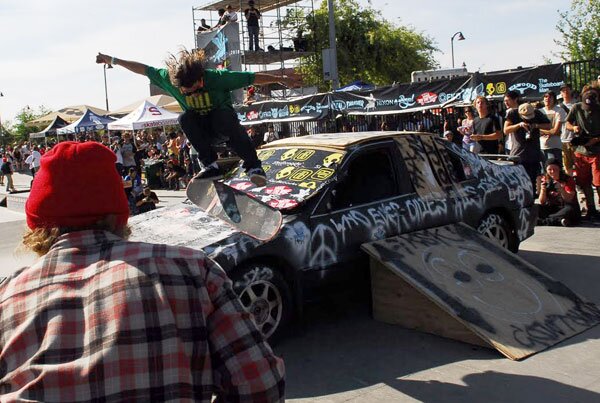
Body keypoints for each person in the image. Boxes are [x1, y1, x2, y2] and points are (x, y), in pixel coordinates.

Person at [0, 141, 285, 401]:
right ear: (118, 215)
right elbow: (261, 386)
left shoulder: (6, 298)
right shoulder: (193, 271)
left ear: (35, 226)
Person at [96, 49, 298, 187]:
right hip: (202, 132)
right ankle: (210, 165)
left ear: (202, 78)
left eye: (197, 88)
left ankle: (253, 166)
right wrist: (112, 60)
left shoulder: (218, 78)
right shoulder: (168, 79)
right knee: (185, 117)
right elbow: (142, 69)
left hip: (223, 127)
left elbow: (252, 77)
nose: (194, 94)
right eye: (188, 92)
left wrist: (282, 78)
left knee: (223, 114)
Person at [566, 87, 600, 220]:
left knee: (598, 182)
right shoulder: (576, 107)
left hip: (597, 150)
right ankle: (590, 208)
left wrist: (596, 140)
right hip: (581, 150)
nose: (588, 108)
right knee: (583, 181)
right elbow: (567, 123)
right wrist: (573, 127)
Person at [504, 102, 551, 193]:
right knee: (518, 181)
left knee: (532, 180)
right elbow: (505, 130)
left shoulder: (537, 113)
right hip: (518, 153)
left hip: (533, 153)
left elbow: (548, 125)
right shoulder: (513, 113)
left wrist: (536, 125)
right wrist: (518, 125)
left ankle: (532, 199)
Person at [537, 158, 580, 227]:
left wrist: (561, 189)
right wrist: (543, 190)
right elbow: (542, 202)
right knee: (536, 208)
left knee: (569, 210)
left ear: (559, 169)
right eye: (550, 170)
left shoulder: (568, 180)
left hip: (565, 207)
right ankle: (558, 220)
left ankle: (544, 221)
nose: (552, 171)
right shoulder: (546, 180)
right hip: (553, 208)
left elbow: (569, 199)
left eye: (555, 169)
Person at [539, 90, 565, 167]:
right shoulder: (539, 112)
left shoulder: (559, 111)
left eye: (550, 97)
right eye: (546, 97)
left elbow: (555, 131)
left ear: (554, 99)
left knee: (555, 169)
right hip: (541, 146)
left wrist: (539, 130)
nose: (547, 99)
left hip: (555, 146)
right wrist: (550, 131)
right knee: (544, 172)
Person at [559, 84, 576, 175]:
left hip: (576, 138)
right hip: (563, 138)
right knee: (567, 165)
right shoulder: (559, 107)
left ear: (571, 90)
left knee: (579, 163)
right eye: (563, 90)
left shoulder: (577, 104)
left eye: (567, 89)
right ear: (561, 93)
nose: (565, 92)